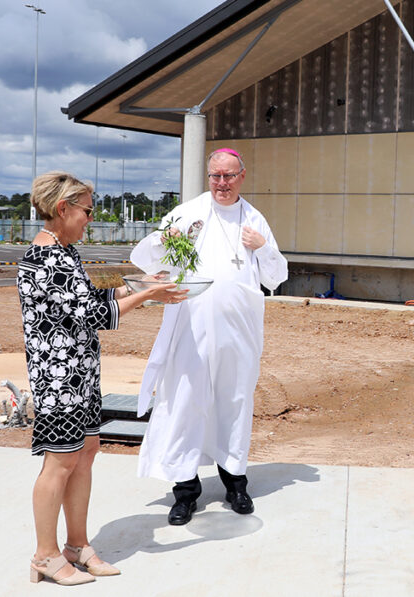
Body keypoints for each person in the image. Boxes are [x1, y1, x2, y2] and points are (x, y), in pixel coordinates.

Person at [18, 171, 188, 586]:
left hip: (81, 374)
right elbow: (94, 316)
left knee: (87, 451)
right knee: (59, 463)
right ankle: (45, 554)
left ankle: (77, 545)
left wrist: (142, 285)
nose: (90, 219)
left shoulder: (65, 251)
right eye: (87, 211)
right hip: (58, 380)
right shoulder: (45, 259)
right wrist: (147, 296)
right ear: (63, 209)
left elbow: (89, 299)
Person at [130, 148, 288, 525]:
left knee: (234, 402)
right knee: (186, 401)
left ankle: (235, 482)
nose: (222, 183)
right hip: (192, 330)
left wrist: (262, 248)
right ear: (208, 177)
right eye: (215, 176)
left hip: (239, 334)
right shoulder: (188, 213)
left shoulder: (255, 220)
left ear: (242, 176)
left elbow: (276, 276)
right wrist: (168, 237)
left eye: (229, 176)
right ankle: (185, 491)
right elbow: (150, 259)